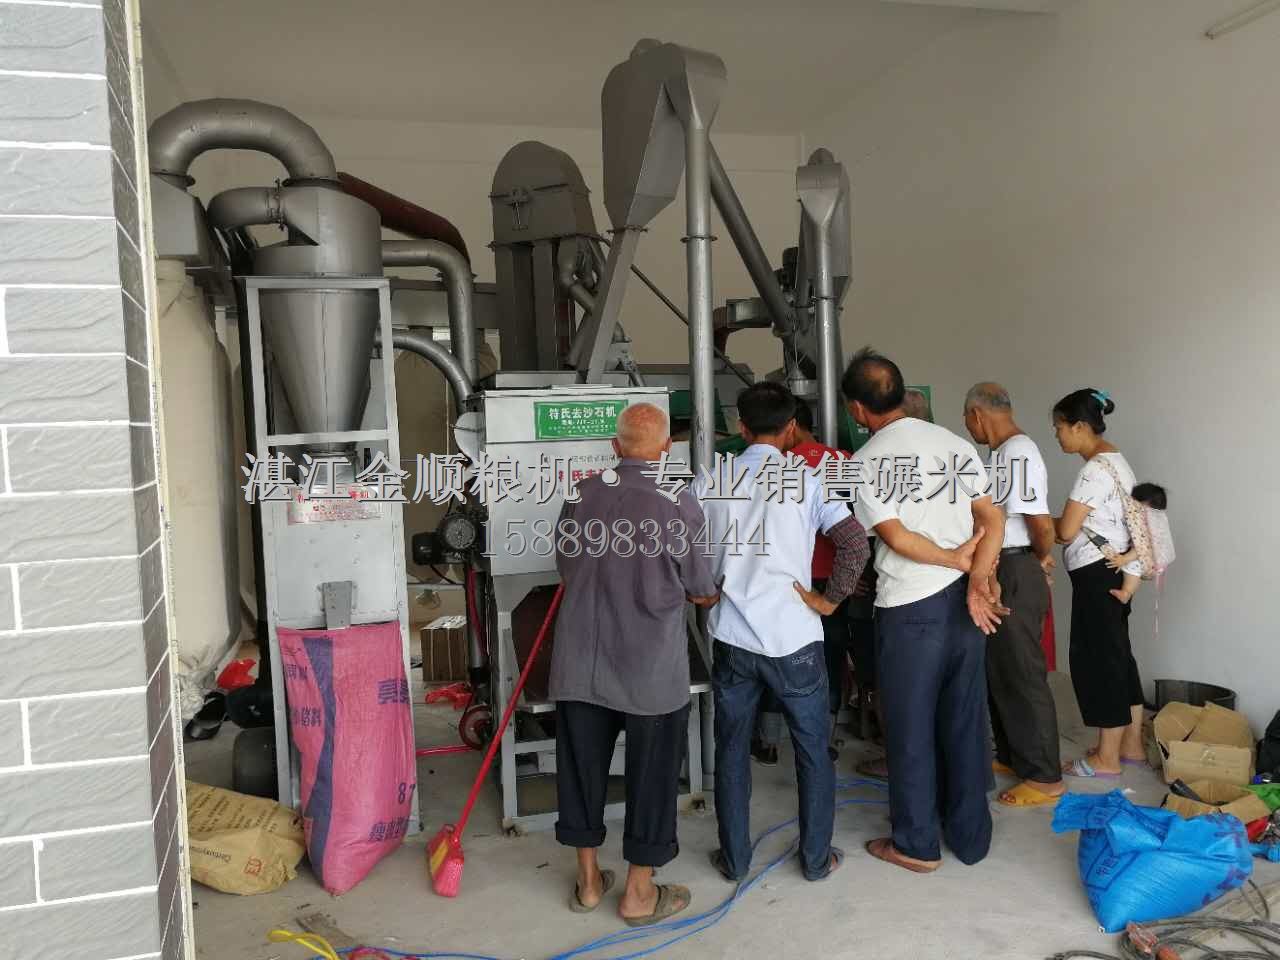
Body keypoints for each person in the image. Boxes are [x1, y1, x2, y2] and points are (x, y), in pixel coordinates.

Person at [549, 402, 720, 925]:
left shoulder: (580, 494)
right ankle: (639, 894)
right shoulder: (678, 502)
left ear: (615, 447)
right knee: (652, 777)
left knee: (580, 771)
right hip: (649, 672)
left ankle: (588, 882)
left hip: (580, 664)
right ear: (667, 449)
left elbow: (565, 566)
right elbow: (701, 588)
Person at [697, 382, 870, 884]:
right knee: (813, 752)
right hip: (795, 639)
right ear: (791, 428)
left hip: (733, 638)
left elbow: (678, 542)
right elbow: (855, 544)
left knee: (732, 751)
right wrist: (829, 601)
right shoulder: (807, 480)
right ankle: (816, 861)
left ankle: (735, 860)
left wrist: (703, 589)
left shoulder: (712, 480)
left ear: (741, 426)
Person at [845, 347, 1006, 874]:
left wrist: (958, 561)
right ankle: (971, 837)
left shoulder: (867, 461)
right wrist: (977, 579)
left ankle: (916, 845)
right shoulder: (953, 444)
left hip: (911, 609)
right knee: (964, 720)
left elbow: (896, 536)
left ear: (856, 409)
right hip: (965, 608)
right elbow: (993, 519)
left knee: (910, 728)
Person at [962, 382, 1064, 806]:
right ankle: (1012, 756)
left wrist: (1036, 559)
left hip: (1017, 566)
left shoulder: (1019, 452)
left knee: (1022, 672)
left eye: (967, 420)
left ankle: (1044, 778)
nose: (968, 428)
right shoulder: (1002, 454)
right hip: (1004, 564)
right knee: (1000, 669)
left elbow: (1040, 523)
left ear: (977, 414)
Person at [751, 401, 853, 765]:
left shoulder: (780, 466)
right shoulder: (841, 461)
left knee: (774, 656)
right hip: (831, 581)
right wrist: (850, 581)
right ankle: (823, 739)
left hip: (788, 580)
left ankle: (769, 741)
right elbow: (857, 528)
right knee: (829, 658)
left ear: (790, 427)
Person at [1051, 388, 1145, 779]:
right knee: (1118, 656)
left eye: (1059, 427)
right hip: (1116, 572)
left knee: (1099, 660)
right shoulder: (1117, 461)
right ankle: (1131, 746)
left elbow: (1065, 531)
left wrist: (1033, 521)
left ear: (1079, 426)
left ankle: (1106, 759)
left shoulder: (1093, 471)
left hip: (1097, 574)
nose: (1057, 435)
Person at [1095, 483, 1169, 604]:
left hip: (1142, 556)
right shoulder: (1155, 522)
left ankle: (1126, 592)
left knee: (1134, 568)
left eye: (1136, 504)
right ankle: (1127, 592)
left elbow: (1141, 549)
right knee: (1135, 570)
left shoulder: (1147, 524)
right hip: (1149, 558)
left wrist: (1124, 559)